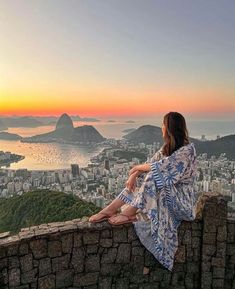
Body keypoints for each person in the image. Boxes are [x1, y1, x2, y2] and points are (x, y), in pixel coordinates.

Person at [89, 112, 198, 271]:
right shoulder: (166, 148)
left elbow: (159, 169)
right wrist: (135, 174)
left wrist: (136, 168)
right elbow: (151, 163)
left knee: (154, 176)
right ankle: (110, 210)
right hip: (170, 194)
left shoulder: (187, 150)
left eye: (163, 124)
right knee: (146, 176)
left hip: (182, 203)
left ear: (169, 128)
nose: (161, 127)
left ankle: (128, 213)